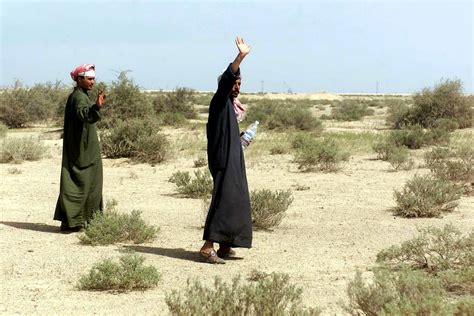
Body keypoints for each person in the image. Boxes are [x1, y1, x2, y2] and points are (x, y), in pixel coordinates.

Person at [200, 36, 253, 263]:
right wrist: (239, 57)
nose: (236, 86)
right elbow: (226, 80)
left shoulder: (231, 108)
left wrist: (241, 139)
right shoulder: (220, 101)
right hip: (223, 160)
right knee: (223, 200)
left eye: (240, 83)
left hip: (233, 158)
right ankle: (207, 246)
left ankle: (226, 244)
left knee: (235, 199)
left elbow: (227, 134)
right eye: (234, 82)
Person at [54, 64, 106, 232]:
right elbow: (85, 114)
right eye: (89, 79)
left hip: (81, 148)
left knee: (80, 183)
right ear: (79, 79)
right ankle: (78, 222)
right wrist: (96, 106)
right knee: (87, 184)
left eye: (93, 78)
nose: (92, 81)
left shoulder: (79, 95)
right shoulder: (79, 97)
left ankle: (74, 222)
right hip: (83, 151)